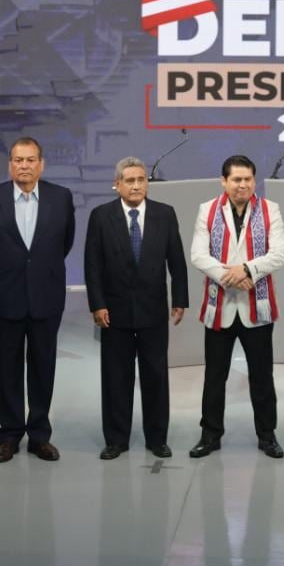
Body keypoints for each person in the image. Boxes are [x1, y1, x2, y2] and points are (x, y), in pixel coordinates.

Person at [0, 136, 76, 464]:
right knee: (5, 369)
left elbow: (65, 242)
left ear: (41, 164)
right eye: (18, 160)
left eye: (31, 160)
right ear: (10, 164)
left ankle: (39, 436)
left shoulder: (61, 198)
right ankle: (9, 436)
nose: (24, 166)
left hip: (46, 296)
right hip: (6, 295)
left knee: (42, 367)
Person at [84, 156, 189, 460]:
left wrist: (180, 299)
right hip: (113, 313)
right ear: (117, 185)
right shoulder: (100, 216)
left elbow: (177, 261)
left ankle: (157, 438)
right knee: (116, 377)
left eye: (141, 179)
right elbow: (92, 265)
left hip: (153, 311)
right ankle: (116, 439)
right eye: (129, 180)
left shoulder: (165, 214)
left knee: (155, 375)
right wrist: (97, 304)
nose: (136, 185)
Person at [189, 154, 284, 459]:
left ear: (254, 181)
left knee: (262, 376)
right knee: (214, 376)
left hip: (256, 308)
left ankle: (267, 434)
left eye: (247, 179)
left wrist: (245, 270)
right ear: (224, 181)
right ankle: (210, 434)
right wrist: (228, 276)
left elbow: (280, 254)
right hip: (218, 306)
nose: (242, 185)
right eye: (236, 179)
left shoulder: (270, 209)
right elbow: (197, 254)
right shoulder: (207, 210)